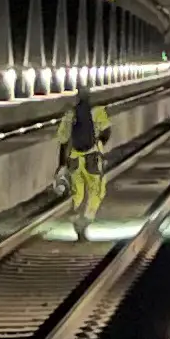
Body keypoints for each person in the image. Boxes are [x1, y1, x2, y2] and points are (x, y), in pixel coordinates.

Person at [55, 86, 111, 240]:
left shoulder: (70, 114)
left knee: (77, 193)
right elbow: (106, 131)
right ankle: (86, 220)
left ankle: (76, 221)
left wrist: (61, 165)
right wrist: (99, 145)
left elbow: (63, 141)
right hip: (92, 158)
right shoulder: (98, 111)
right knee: (96, 191)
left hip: (74, 160)